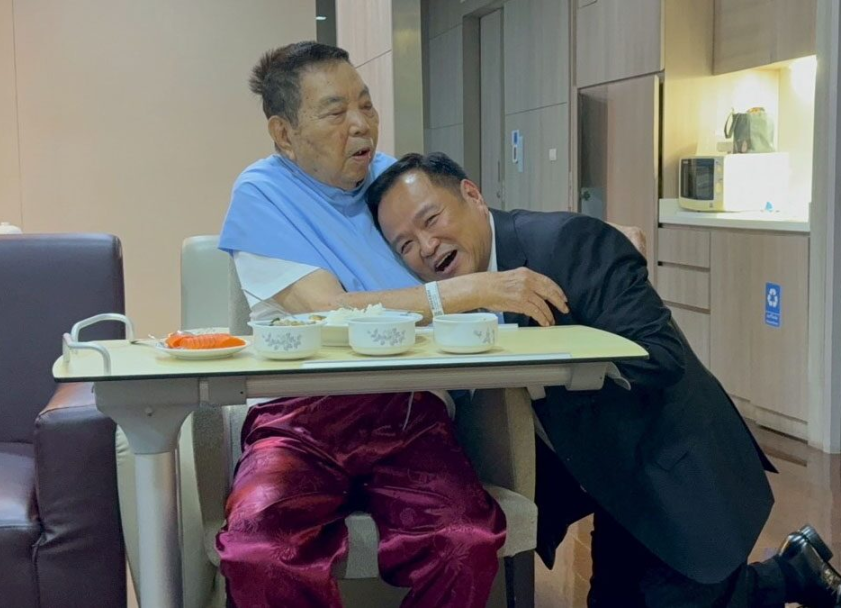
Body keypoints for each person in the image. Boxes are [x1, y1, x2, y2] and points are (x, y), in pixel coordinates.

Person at [366, 152, 841, 608]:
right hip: (610, 486)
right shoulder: (457, 298)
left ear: (473, 195)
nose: (426, 247)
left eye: (431, 219)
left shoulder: (569, 242)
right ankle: (794, 568)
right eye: (405, 244)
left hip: (674, 469)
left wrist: (547, 360)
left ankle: (795, 575)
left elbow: (660, 356)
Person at [215, 41, 573, 608]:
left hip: (411, 408)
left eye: (366, 104)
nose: (361, 124)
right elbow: (327, 309)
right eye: (335, 112)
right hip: (300, 416)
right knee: (260, 549)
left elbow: (479, 228)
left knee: (465, 540)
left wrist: (589, 235)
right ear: (284, 134)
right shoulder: (263, 193)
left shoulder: (392, 182)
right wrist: (465, 291)